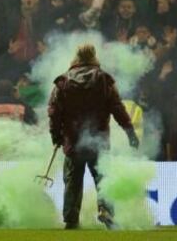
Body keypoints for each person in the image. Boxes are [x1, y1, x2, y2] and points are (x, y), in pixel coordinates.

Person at [47, 44, 139, 230]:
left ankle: (71, 219)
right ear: (94, 56)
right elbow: (118, 109)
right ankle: (105, 210)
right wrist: (129, 131)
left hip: (73, 141)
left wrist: (56, 136)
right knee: (103, 178)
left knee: (73, 181)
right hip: (99, 140)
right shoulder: (104, 80)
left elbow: (54, 112)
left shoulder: (63, 82)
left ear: (76, 57)